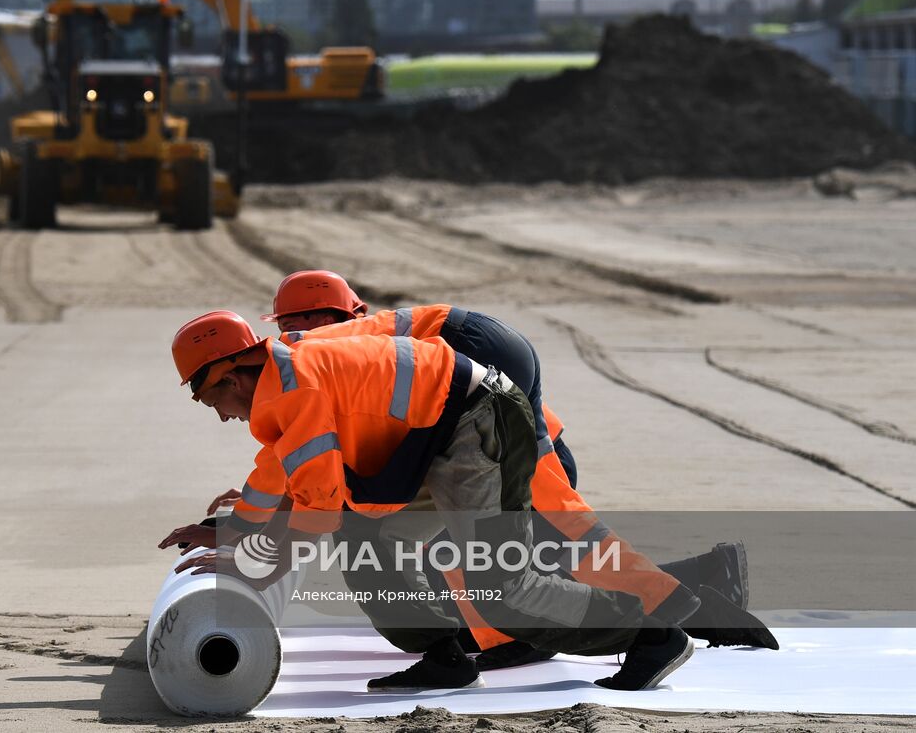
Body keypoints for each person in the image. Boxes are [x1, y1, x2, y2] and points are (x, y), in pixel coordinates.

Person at [216, 270, 775, 669]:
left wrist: (261, 529)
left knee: (529, 557)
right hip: (486, 431)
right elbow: (311, 465)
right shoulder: (344, 358)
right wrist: (249, 518)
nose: (287, 333)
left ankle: (676, 607)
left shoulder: (335, 359)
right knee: (508, 559)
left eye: (297, 321)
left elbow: (318, 472)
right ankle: (697, 583)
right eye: (284, 324)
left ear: (337, 316)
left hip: (503, 446)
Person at [162, 310, 697, 692]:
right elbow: (276, 470)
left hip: (479, 422)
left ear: (230, 375)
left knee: (499, 586)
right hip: (436, 437)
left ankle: (651, 636)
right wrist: (232, 532)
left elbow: (317, 506)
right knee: (366, 539)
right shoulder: (282, 383)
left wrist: (261, 559)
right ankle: (444, 657)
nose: (219, 413)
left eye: (211, 398)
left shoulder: (294, 382)